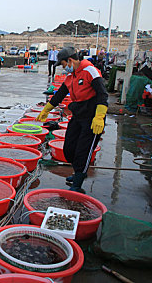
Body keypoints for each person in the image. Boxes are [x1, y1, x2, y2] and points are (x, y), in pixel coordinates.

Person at [36, 47, 108, 193]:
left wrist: (99, 116)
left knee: (84, 149)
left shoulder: (90, 71)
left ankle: (78, 181)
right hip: (78, 115)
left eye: (63, 65)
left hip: (93, 116)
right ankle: (77, 172)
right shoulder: (71, 76)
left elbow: (102, 94)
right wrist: (46, 110)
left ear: (70, 60)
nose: (64, 68)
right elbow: (60, 95)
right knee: (69, 147)